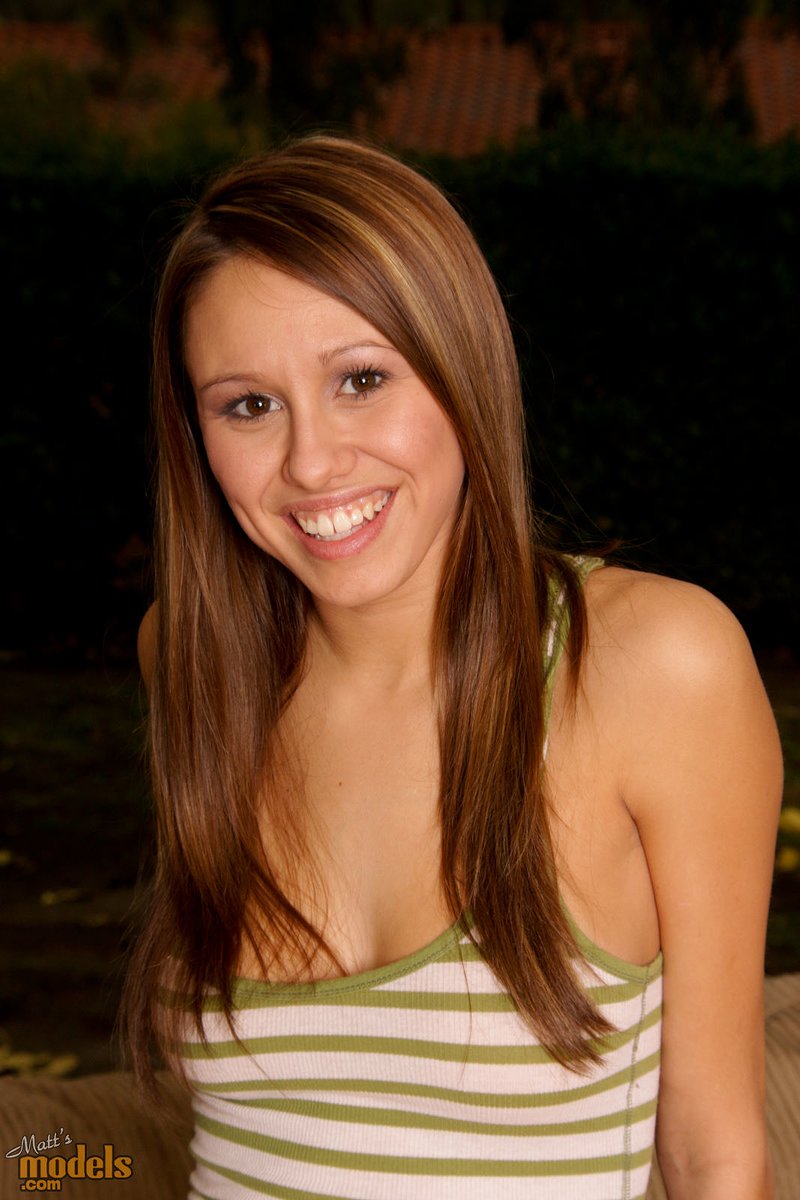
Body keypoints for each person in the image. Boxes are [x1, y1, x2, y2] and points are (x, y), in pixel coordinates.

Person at [123, 135, 783, 1200]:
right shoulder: (194, 663)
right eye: (248, 405)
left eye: (360, 379)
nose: (310, 462)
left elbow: (716, 1157)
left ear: (460, 366)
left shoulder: (656, 668)